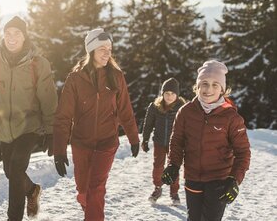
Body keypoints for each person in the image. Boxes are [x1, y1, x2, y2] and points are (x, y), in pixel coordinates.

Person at [0, 16, 58, 221]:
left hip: (30, 126)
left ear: (24, 35)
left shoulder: (38, 63)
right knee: (11, 172)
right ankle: (32, 190)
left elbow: (48, 98)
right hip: (4, 128)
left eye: (16, 33)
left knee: (17, 167)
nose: (11, 37)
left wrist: (52, 130)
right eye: (8, 33)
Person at [53, 28, 140, 221]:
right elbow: (63, 116)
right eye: (102, 48)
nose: (107, 53)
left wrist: (133, 137)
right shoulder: (75, 79)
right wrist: (59, 150)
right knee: (84, 192)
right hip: (81, 144)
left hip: (107, 143)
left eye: (109, 48)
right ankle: (90, 209)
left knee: (96, 189)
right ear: (90, 50)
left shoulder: (116, 76)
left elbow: (125, 110)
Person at [162, 60, 251, 221]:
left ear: (223, 89)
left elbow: (243, 152)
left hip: (219, 180)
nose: (208, 89)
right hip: (193, 178)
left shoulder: (231, 117)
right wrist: (173, 164)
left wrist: (234, 179)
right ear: (197, 86)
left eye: (215, 85)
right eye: (204, 83)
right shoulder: (185, 112)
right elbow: (177, 141)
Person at [141, 77, 186, 205]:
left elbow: (188, 126)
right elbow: (148, 124)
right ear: (162, 94)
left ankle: (174, 193)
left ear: (177, 94)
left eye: (172, 93)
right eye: (167, 93)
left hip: (176, 143)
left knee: (174, 167)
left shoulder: (182, 107)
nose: (169, 96)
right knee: (158, 166)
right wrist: (145, 139)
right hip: (160, 141)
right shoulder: (154, 107)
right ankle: (157, 188)